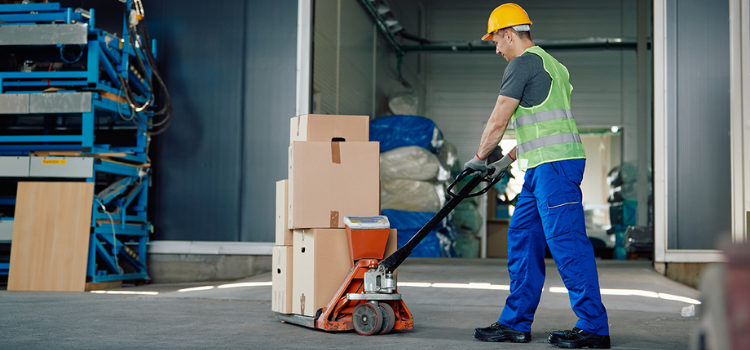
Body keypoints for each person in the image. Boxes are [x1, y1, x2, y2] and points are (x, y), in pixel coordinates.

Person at [463, 3, 611, 349]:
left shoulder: (522, 63)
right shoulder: (553, 65)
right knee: (523, 239)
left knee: (567, 243)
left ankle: (594, 327)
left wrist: (479, 158)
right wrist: (505, 161)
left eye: (496, 41)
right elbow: (542, 124)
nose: (497, 49)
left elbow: (499, 119)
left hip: (555, 167)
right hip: (539, 165)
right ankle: (515, 323)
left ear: (509, 34)